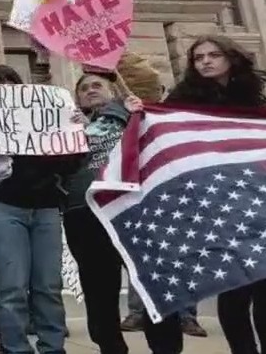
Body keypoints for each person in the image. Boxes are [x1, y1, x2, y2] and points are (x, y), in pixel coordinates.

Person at [64, 56, 184, 354]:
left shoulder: (136, 114)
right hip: (86, 214)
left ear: (113, 90)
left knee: (154, 282)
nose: (90, 90)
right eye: (84, 89)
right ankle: (110, 346)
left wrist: (128, 111)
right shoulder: (66, 127)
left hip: (136, 209)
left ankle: (166, 347)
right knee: (98, 288)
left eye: (97, 85)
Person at [165, 35, 266, 354]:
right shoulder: (183, 101)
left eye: (213, 55)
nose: (206, 61)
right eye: (198, 57)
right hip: (216, 209)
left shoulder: (256, 98)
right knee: (234, 289)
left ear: (231, 58)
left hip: (258, 204)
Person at [0, 64, 78, 354]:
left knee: (48, 284)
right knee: (12, 286)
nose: (2, 89)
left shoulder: (47, 117)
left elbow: (70, 164)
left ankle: (53, 347)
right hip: (2, 206)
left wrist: (74, 129)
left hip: (44, 208)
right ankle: (16, 347)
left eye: (8, 82)